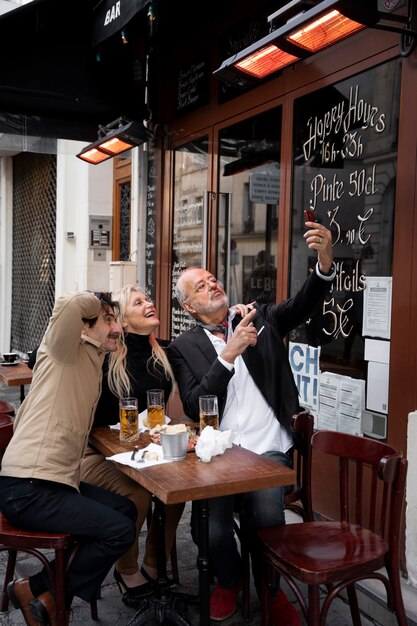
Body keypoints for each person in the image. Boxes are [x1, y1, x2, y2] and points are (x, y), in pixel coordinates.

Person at [167, 220, 335, 624]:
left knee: (265, 513)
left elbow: (303, 303)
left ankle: (270, 591)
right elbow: (193, 404)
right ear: (189, 307)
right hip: (219, 455)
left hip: (267, 450)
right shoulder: (183, 347)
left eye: (213, 278)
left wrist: (324, 259)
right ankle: (228, 581)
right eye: (201, 285)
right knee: (212, 527)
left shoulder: (258, 318)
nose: (213, 284)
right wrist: (228, 355)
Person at [0, 291, 137, 626]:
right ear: (84, 327)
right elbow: (71, 304)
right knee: (118, 531)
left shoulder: (93, 360)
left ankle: (40, 592)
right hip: (27, 487)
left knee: (126, 509)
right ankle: (43, 595)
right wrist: (100, 301)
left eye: (116, 320)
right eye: (108, 320)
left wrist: (108, 320)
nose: (116, 327)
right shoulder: (62, 349)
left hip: (57, 483)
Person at [80, 284, 184, 607]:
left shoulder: (162, 355)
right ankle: (125, 570)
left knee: (177, 489)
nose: (149, 303)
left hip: (141, 453)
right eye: (139, 302)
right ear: (122, 321)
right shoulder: (106, 356)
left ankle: (153, 567)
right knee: (136, 492)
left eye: (149, 299)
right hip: (96, 455)